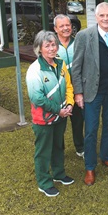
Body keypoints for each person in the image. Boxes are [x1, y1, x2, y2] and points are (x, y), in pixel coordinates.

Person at [72, 2, 108, 186]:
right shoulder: (84, 36)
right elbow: (76, 67)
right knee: (90, 130)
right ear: (96, 17)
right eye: (102, 16)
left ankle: (106, 157)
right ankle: (90, 166)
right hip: (92, 92)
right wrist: (78, 93)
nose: (105, 19)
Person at [26, 31, 75, 197]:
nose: (52, 48)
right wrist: (58, 110)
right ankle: (44, 182)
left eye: (54, 44)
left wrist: (69, 104)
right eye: (47, 46)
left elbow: (69, 86)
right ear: (39, 49)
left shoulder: (61, 64)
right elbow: (37, 98)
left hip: (61, 116)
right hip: (44, 119)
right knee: (43, 150)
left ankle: (59, 174)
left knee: (58, 146)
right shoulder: (35, 70)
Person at [54, 14, 84, 158]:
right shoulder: (51, 46)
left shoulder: (78, 42)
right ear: (55, 29)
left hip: (77, 91)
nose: (66, 28)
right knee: (59, 124)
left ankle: (80, 147)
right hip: (59, 93)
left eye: (68, 25)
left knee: (78, 121)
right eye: (62, 26)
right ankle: (59, 150)